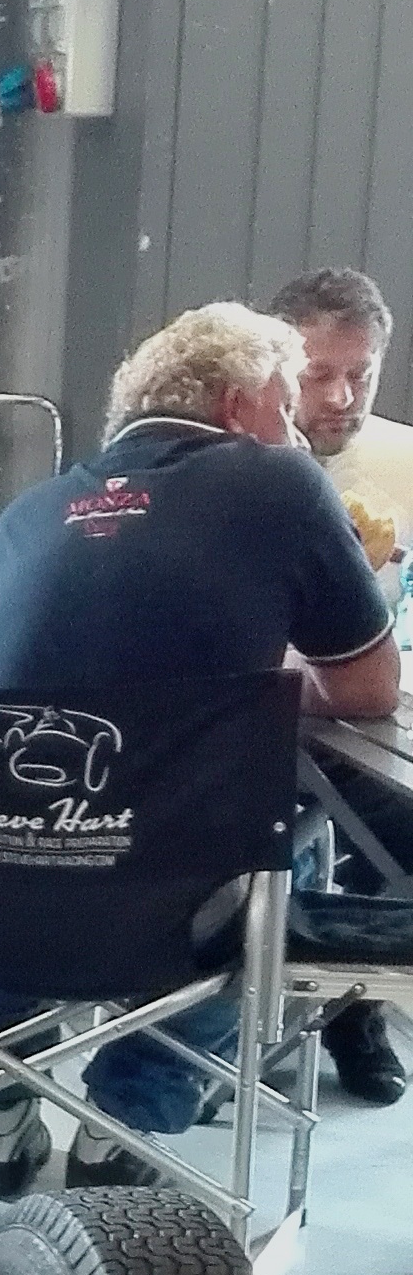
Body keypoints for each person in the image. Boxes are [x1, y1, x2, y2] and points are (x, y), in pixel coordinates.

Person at [0, 299, 398, 1194]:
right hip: (162, 899)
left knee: (26, 848)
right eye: (286, 408)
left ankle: (1, 1109)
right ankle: (125, 1122)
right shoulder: (281, 482)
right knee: (289, 840)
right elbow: (368, 689)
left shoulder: (25, 515)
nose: (295, 434)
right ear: (239, 405)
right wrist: (281, 683)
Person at [269, 267, 411, 1102]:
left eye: (361, 373)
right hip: (265, 715)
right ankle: (314, 996)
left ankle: (354, 1005)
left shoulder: (400, 462)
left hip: (367, 704)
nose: (341, 396)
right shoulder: (251, 461)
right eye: (319, 373)